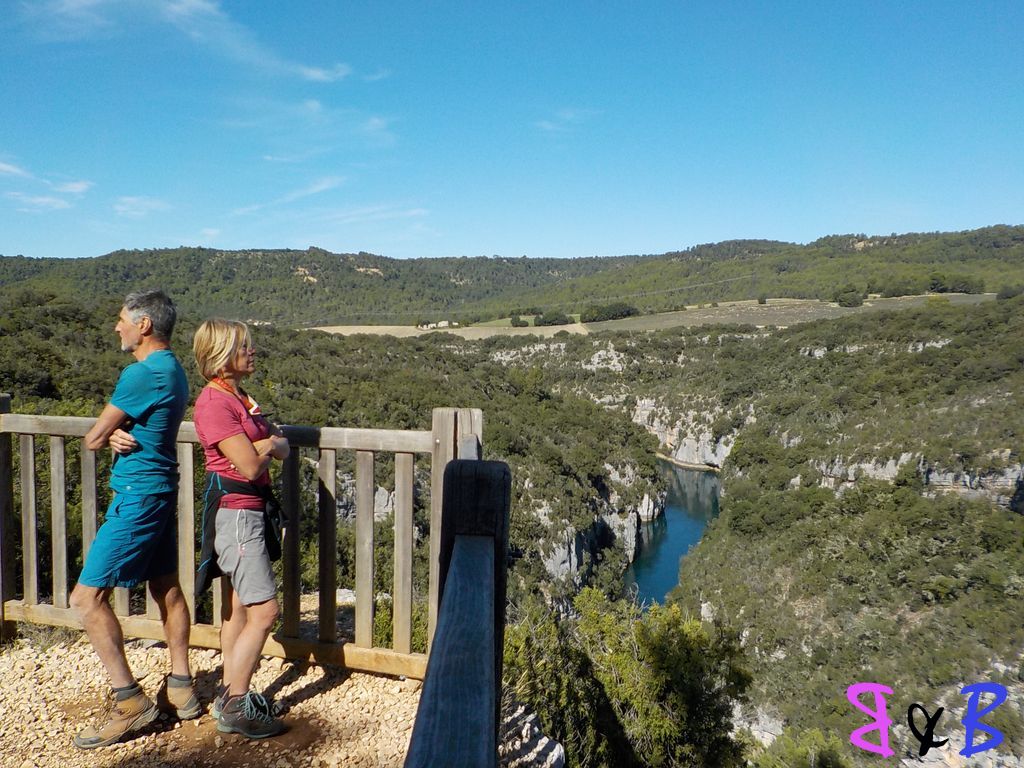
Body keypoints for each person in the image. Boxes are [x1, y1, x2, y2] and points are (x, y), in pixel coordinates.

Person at [70, 290, 197, 749]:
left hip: (137, 496)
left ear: (144, 325)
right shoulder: (173, 369)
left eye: (122, 319)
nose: (116, 326)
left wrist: (108, 434)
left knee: (85, 598)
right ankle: (181, 686)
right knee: (166, 587)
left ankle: (130, 704)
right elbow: (130, 427)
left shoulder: (141, 373)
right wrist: (120, 432)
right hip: (161, 489)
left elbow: (92, 438)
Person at [192, 318, 290, 739]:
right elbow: (253, 463)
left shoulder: (238, 396)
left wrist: (268, 444)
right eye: (244, 346)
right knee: (265, 611)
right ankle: (237, 705)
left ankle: (228, 695)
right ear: (221, 355)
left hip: (245, 513)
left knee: (235, 609)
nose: (253, 351)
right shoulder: (215, 403)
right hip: (237, 516)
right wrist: (267, 446)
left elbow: (277, 441)